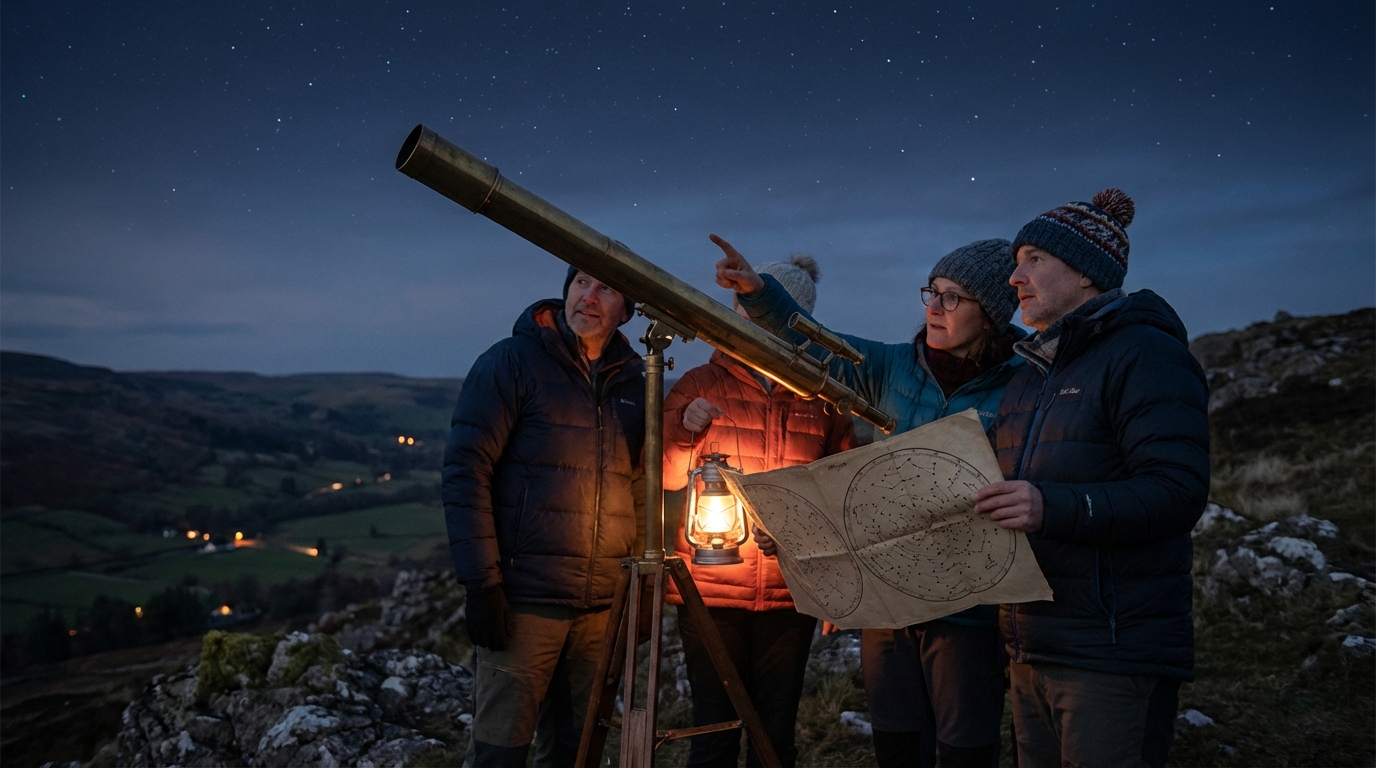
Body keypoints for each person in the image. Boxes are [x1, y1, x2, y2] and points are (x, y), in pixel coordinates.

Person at [713, 235, 1023, 768]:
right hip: (890, 600)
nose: (934, 307)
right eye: (931, 292)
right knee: (896, 744)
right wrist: (760, 293)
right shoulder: (895, 366)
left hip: (968, 609)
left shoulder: (1021, 384)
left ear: (991, 314)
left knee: (965, 747)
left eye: (952, 297)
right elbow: (816, 345)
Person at [973, 189, 1210, 768]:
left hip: (1110, 651)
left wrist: (1049, 506)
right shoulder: (1030, 375)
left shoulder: (1145, 354)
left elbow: (1176, 493)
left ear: (1086, 273)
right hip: (1031, 643)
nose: (1015, 277)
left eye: (1034, 259)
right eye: (1017, 262)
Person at [443, 266, 646, 768]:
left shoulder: (635, 380)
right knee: (499, 753)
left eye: (606, 288)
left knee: (579, 754)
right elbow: (466, 472)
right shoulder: (511, 362)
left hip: (602, 606)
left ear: (626, 311)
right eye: (581, 282)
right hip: (524, 602)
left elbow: (640, 489)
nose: (589, 297)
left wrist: (640, 589)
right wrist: (482, 586)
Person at [663, 255, 859, 768]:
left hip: (790, 591)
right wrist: (684, 428)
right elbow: (663, 474)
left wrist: (831, 578)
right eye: (744, 309)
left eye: (766, 310)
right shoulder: (699, 383)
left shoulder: (823, 399)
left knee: (774, 735)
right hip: (711, 590)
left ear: (798, 322)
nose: (752, 322)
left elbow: (840, 494)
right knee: (714, 731)